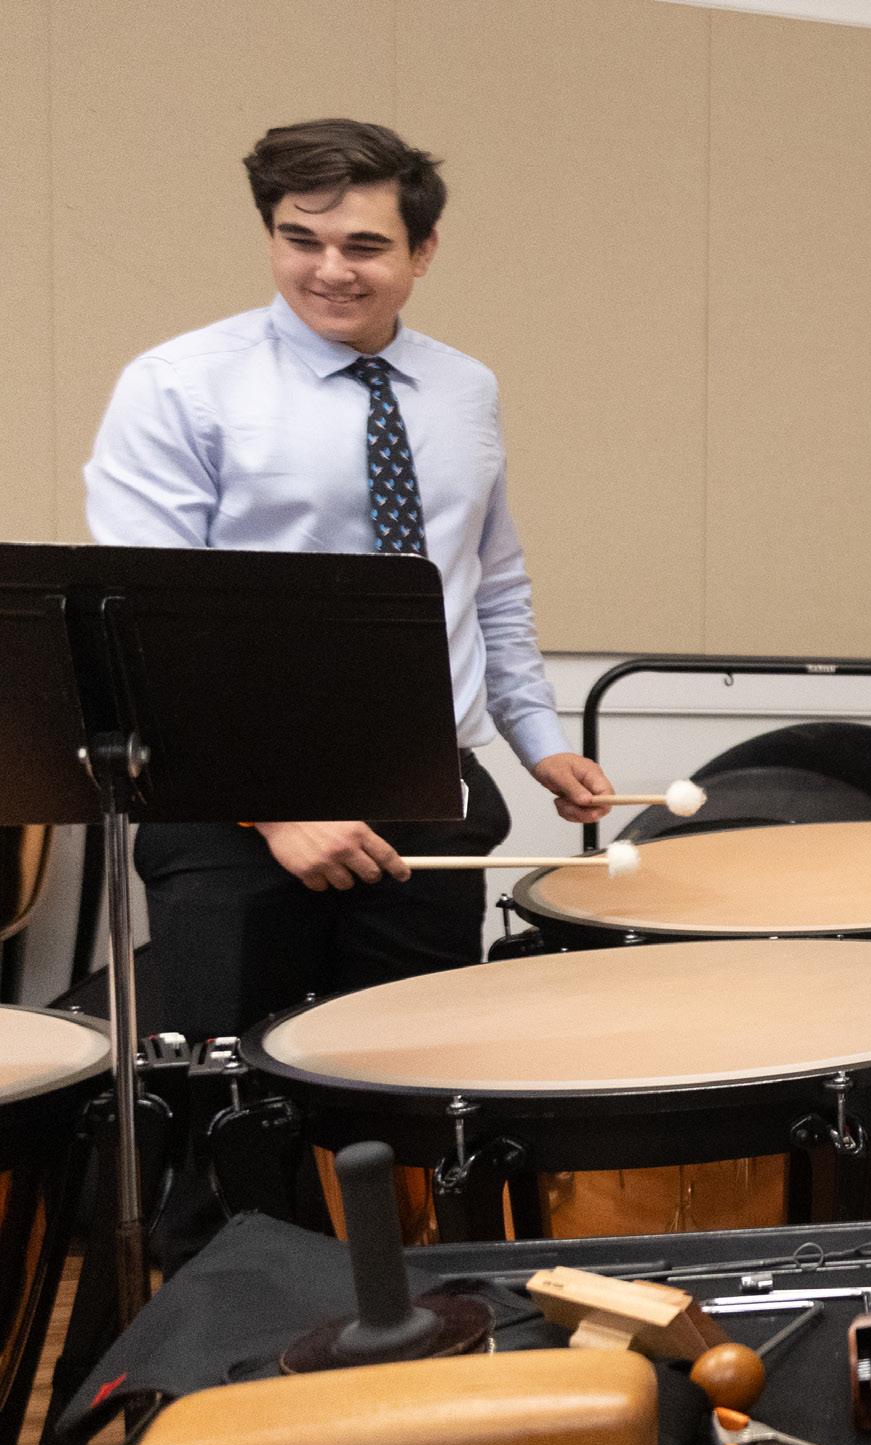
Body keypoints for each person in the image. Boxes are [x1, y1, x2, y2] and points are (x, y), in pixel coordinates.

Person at [82, 118, 613, 1042]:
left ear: (423, 250)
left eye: (364, 245)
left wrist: (538, 739)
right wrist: (278, 811)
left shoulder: (465, 389)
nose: (330, 270)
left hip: (426, 797)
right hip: (236, 813)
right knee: (236, 1099)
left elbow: (487, 580)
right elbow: (150, 631)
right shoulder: (178, 385)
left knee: (408, 1087)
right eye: (301, 240)